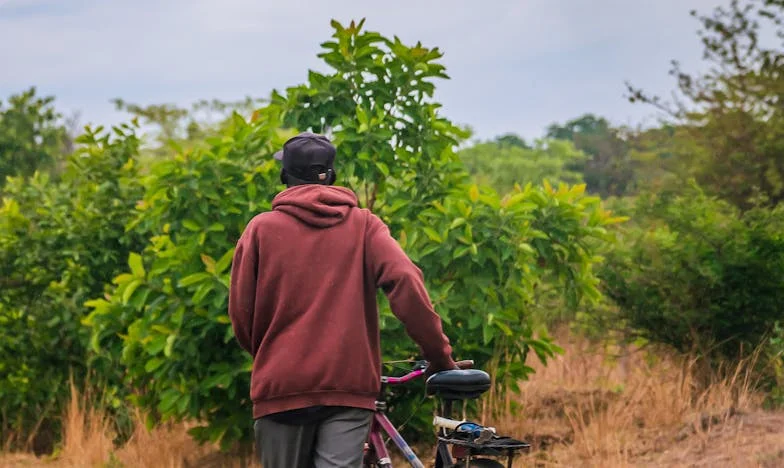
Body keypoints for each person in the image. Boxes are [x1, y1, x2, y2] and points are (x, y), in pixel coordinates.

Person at [228, 132, 458, 468]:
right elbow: (406, 280)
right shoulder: (365, 225)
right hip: (348, 389)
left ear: (285, 177)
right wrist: (439, 356)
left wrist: (275, 356)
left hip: (281, 389)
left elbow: (241, 316)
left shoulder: (261, 230)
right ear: (332, 176)